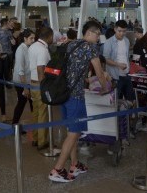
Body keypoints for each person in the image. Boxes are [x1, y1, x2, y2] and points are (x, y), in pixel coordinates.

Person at [48, 20, 108, 182]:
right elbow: (100, 72)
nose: (98, 38)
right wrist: (105, 88)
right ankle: (58, 170)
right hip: (75, 96)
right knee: (74, 132)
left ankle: (74, 164)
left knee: (71, 132)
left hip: (63, 94)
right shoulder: (90, 48)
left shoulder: (70, 44)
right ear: (90, 32)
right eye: (97, 35)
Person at [28, 26, 53, 150]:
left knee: (36, 112)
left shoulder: (32, 46)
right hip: (40, 84)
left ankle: (35, 138)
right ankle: (42, 142)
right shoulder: (42, 50)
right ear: (49, 36)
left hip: (33, 83)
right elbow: (40, 68)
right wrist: (44, 86)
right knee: (43, 113)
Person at [103, 20, 135, 107]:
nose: (122, 33)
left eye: (124, 31)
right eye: (119, 31)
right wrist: (118, 65)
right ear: (115, 29)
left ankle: (128, 118)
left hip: (126, 74)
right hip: (115, 76)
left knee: (131, 100)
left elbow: (126, 56)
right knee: (116, 101)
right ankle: (118, 120)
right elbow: (105, 59)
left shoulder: (127, 41)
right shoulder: (109, 42)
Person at [12, 29, 35, 125]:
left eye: (34, 38)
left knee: (32, 103)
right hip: (22, 82)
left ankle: (36, 126)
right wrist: (25, 87)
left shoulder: (28, 48)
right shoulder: (21, 49)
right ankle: (14, 124)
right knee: (22, 103)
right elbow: (20, 70)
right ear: (25, 38)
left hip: (28, 81)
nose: (33, 40)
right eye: (31, 38)